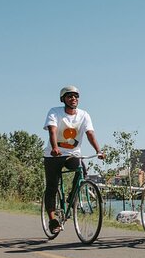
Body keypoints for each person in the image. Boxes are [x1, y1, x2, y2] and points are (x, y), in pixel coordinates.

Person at [43, 86, 104, 234]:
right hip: (54, 155)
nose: (73, 99)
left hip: (73, 154)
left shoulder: (84, 115)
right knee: (52, 186)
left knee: (82, 171)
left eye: (76, 96)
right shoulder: (55, 112)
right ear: (63, 99)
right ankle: (52, 220)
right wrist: (55, 147)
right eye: (69, 96)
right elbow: (52, 130)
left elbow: (90, 133)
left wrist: (98, 150)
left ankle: (72, 199)